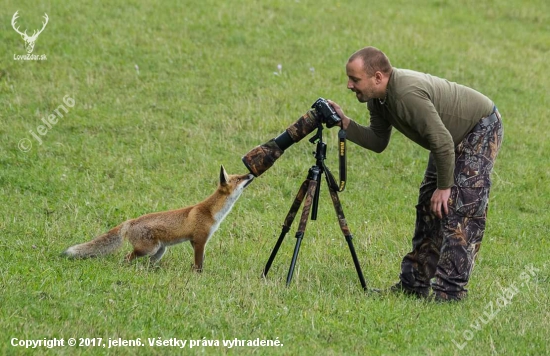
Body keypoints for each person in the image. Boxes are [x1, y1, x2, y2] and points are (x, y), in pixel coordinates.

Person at [329, 46, 503, 301]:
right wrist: (345, 123)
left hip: (479, 127)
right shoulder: (380, 99)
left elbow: (443, 141)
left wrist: (445, 188)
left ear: (378, 77)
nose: (349, 85)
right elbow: (378, 141)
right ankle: (414, 284)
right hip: (446, 140)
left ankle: (450, 293)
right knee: (428, 205)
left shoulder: (406, 94)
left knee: (461, 208)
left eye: (355, 79)